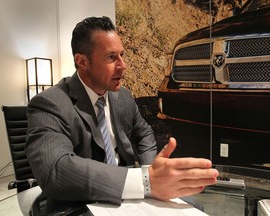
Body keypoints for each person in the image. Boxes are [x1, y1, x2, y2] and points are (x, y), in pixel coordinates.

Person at [26, 16, 219, 214]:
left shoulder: (123, 97)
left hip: (130, 197)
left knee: (194, 207)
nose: (123, 65)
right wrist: (145, 182)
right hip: (80, 203)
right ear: (82, 61)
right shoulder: (50, 103)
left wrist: (150, 172)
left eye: (122, 55)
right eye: (111, 57)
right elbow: (55, 170)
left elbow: (143, 134)